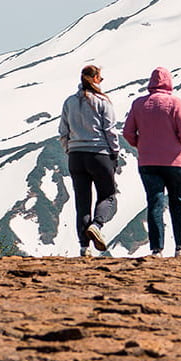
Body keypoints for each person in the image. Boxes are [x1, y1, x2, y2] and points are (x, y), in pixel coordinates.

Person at [123, 67, 181, 257]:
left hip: (148, 162)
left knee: (154, 203)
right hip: (174, 162)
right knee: (177, 202)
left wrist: (140, 145)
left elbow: (127, 132)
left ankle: (156, 249)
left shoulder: (138, 104)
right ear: (169, 82)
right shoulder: (175, 102)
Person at [59, 65, 119, 256]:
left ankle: (84, 248)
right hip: (99, 154)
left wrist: (69, 149)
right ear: (95, 79)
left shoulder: (69, 102)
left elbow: (63, 131)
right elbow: (110, 131)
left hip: (76, 156)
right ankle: (97, 225)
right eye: (101, 78)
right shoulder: (102, 102)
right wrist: (114, 153)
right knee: (108, 195)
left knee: (82, 202)